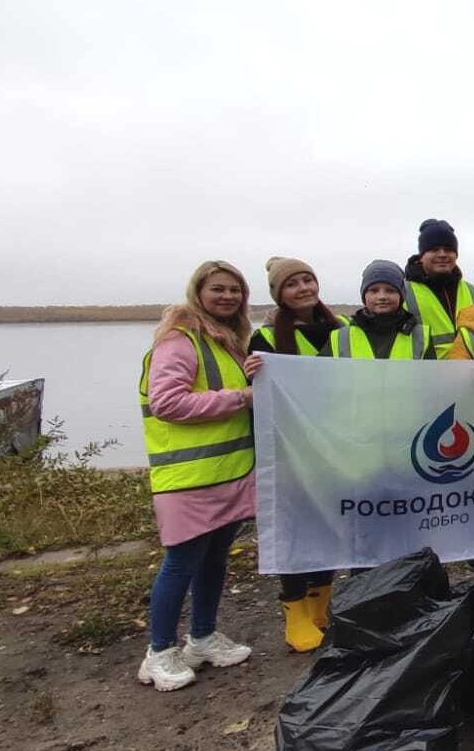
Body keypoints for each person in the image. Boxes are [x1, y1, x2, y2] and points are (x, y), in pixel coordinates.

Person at [135, 261, 256, 692]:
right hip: (187, 478)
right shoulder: (178, 342)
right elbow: (168, 402)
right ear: (198, 293)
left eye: (235, 291)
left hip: (228, 473)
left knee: (215, 559)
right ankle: (159, 652)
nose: (227, 297)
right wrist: (240, 396)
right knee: (181, 564)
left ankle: (202, 637)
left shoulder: (227, 344)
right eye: (218, 289)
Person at [246, 256, 344, 653]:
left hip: (334, 445)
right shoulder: (266, 340)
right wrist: (250, 372)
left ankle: (320, 604)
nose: (303, 288)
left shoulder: (342, 331)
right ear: (279, 294)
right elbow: (254, 394)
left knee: (328, 522)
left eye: (308, 279)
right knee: (293, 526)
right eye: (293, 284)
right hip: (290, 448)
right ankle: (295, 612)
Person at [324, 260, 436, 359]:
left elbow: (429, 379)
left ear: (401, 296)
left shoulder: (421, 336)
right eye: (374, 290)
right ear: (364, 296)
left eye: (390, 290)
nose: (382, 296)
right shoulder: (339, 338)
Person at [403, 218, 474, 359]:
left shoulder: (473, 291)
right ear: (421, 256)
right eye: (434, 249)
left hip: (471, 374)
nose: (442, 254)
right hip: (426, 376)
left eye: (449, 249)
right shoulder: (403, 292)